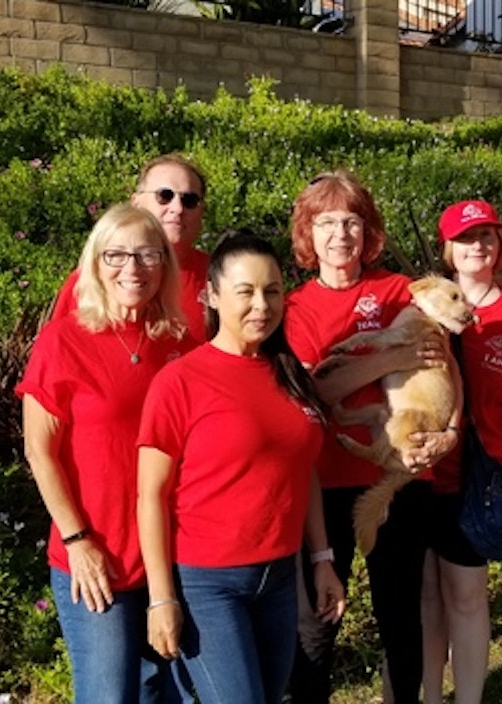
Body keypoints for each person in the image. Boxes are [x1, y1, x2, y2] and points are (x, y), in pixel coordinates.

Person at [137, 233, 346, 704]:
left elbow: (302, 469)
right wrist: (162, 597)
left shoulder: (289, 374)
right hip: (208, 584)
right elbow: (150, 495)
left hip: (280, 576)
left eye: (272, 291)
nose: (261, 305)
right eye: (245, 291)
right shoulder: (180, 380)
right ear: (212, 295)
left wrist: (322, 560)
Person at [283, 171, 455, 704]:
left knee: (400, 614)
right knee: (318, 617)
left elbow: (447, 369)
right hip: (327, 483)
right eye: (327, 223)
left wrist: (450, 434)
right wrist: (397, 357)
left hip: (401, 476)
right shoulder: (294, 308)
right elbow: (319, 390)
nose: (340, 235)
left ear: (369, 231)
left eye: (352, 222)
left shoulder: (400, 291)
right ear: (308, 234)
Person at [17, 204, 194, 702]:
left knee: (167, 694)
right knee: (108, 695)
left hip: (171, 556)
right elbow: (39, 449)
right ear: (95, 264)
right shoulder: (63, 340)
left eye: (147, 255)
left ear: (165, 264)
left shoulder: (180, 342)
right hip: (99, 557)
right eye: (116, 255)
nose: (132, 269)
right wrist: (76, 539)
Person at [420, 200, 502, 703]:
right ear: (448, 249)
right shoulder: (424, 302)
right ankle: (429, 696)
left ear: (501, 245)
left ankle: (469, 698)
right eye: (467, 238)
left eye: (488, 236)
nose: (478, 246)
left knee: (467, 597)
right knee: (425, 598)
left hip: (477, 475)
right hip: (420, 470)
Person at [53, 153, 213, 343]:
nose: (177, 208)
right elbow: (61, 348)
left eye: (189, 200)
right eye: (164, 196)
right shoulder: (95, 279)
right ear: (136, 203)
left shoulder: (221, 277)